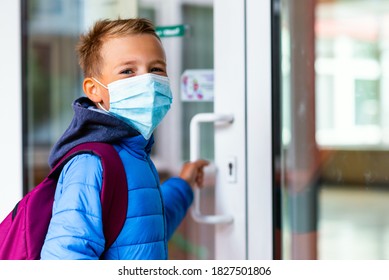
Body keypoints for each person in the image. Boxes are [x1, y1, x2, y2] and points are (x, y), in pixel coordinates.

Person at [40, 18, 208, 260]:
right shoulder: (91, 164)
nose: (147, 81)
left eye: (156, 69)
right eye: (128, 71)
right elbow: (65, 260)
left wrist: (183, 184)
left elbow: (144, 229)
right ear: (94, 90)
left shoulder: (134, 151)